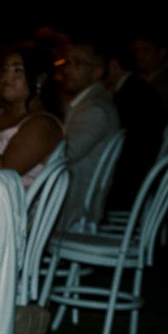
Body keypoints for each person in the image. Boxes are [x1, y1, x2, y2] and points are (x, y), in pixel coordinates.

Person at [57, 40, 120, 229]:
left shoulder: (95, 110)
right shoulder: (87, 103)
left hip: (73, 208)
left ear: (97, 72)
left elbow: (61, 157)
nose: (67, 69)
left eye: (77, 63)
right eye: (66, 62)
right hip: (67, 197)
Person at [0, 45, 64, 189]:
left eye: (17, 70)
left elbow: (5, 173)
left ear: (40, 79)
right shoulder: (1, 112)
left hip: (11, 207)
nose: (6, 78)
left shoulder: (42, 125)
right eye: (5, 69)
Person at [104, 41, 164, 210]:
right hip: (145, 167)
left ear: (113, 65)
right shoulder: (138, 88)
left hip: (130, 178)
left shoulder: (129, 95)